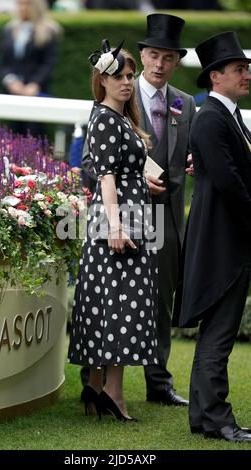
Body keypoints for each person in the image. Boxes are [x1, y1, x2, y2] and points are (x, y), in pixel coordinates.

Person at [81, 14, 196, 406]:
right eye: (153, 55)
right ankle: (94, 382)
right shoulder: (114, 101)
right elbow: (90, 164)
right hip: (122, 215)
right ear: (142, 56)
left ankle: (158, 382)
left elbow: (186, 155)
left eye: (168, 57)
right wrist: (133, 183)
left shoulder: (187, 103)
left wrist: (195, 159)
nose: (159, 64)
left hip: (165, 217)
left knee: (158, 300)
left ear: (176, 61)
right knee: (111, 297)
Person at [68, 40, 158, 421]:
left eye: (129, 75)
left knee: (115, 305)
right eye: (118, 76)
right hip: (116, 221)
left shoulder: (122, 118)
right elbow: (105, 177)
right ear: (101, 81)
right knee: (122, 306)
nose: (126, 82)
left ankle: (97, 389)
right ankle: (113, 395)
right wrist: (116, 227)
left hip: (131, 215)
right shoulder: (105, 117)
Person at [173, 31, 251, 442]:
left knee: (215, 335)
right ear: (215, 77)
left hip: (229, 240)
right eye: (240, 69)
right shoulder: (212, 118)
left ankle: (205, 418)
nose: (247, 75)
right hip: (223, 244)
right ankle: (218, 420)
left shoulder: (227, 117)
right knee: (219, 336)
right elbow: (230, 183)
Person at [0, 0, 62, 137]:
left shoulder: (49, 30)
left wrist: (35, 84)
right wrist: (11, 81)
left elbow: (49, 63)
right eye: (20, 4)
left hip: (36, 93)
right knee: (12, 135)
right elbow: (3, 63)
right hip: (12, 93)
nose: (22, 8)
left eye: (27, 4)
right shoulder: (9, 29)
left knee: (34, 135)